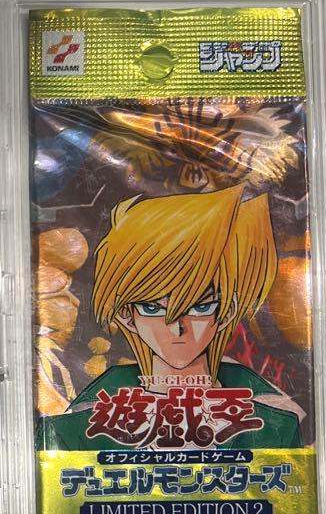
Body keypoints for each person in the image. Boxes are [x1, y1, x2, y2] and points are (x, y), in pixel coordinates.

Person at [41, 185, 303, 450]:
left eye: (199, 308)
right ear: (126, 315)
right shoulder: (79, 425)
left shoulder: (274, 421)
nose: (177, 328)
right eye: (152, 309)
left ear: (227, 311)